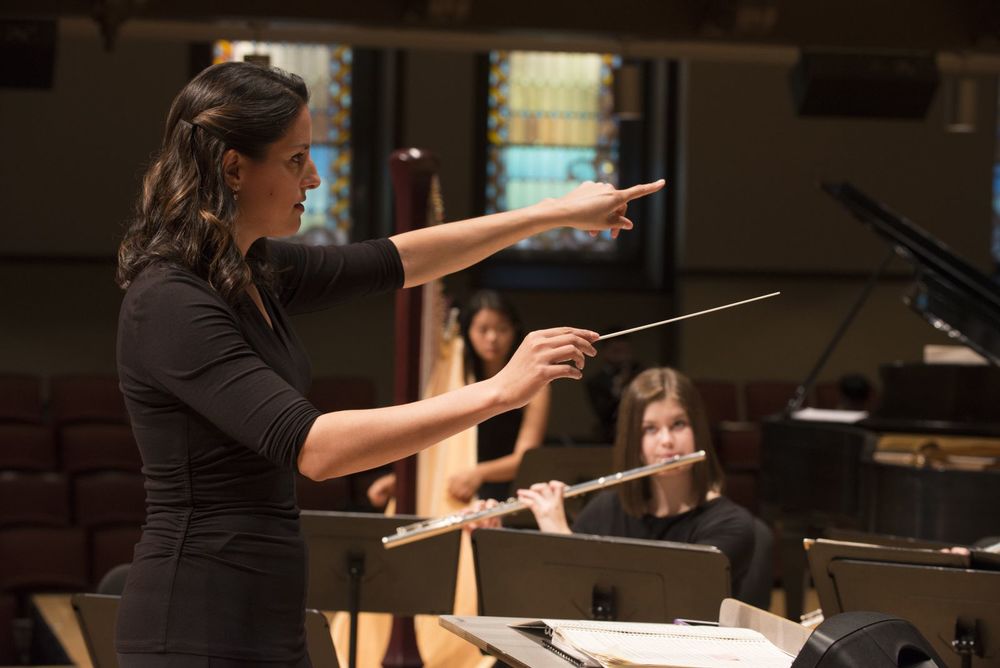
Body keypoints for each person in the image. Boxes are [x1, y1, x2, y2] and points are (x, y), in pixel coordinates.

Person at [113, 60, 663, 666]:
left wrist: (550, 213)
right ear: (234, 168)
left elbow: (397, 260)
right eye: (296, 159)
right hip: (193, 617)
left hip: (264, 606)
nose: (315, 178)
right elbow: (315, 447)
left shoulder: (251, 271)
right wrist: (499, 392)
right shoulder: (168, 301)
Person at [517, 367, 756, 595]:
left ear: (698, 431)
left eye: (678, 424)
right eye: (650, 429)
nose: (666, 441)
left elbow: (665, 599)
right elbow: (563, 595)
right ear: (634, 442)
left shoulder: (730, 525)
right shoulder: (605, 511)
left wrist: (560, 535)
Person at [367, 290, 549, 506]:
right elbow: (438, 449)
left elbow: (524, 459)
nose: (492, 338)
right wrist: (401, 480)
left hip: (507, 490)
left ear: (515, 331)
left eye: (502, 329)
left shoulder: (535, 382)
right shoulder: (456, 377)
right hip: (458, 484)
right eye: (483, 329)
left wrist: (479, 473)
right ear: (467, 332)